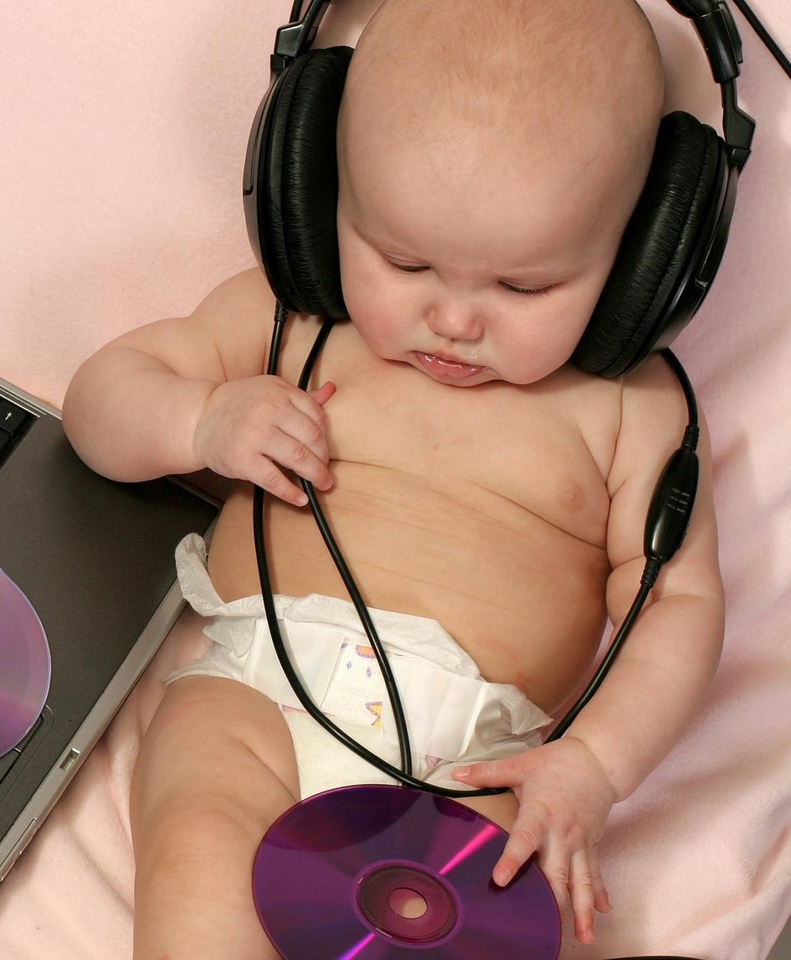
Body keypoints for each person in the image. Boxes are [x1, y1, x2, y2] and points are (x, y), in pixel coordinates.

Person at [62, 0, 725, 955]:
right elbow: (99, 401)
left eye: (525, 286)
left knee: (501, 915)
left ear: (643, 261)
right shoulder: (295, 319)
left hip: (478, 766)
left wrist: (595, 762)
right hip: (257, 698)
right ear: (320, 193)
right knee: (200, 847)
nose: (454, 320)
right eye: (404, 261)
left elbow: (678, 604)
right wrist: (200, 418)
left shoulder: (634, 409)